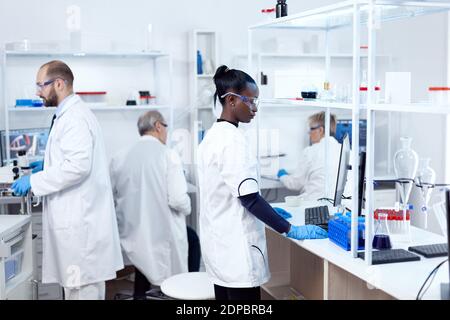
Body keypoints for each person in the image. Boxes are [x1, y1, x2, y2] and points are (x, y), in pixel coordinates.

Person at [197, 65, 328, 301]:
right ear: (231, 100)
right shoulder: (233, 141)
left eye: (257, 101)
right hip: (236, 250)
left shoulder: (213, 135)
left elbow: (232, 193)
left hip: (220, 246)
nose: (255, 108)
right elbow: (249, 199)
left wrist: (269, 211)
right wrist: (290, 229)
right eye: (250, 101)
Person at [11, 60, 123, 300]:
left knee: (82, 292)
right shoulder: (68, 115)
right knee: (76, 291)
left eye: (41, 85)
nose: (37, 92)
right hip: (78, 229)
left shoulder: (74, 118)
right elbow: (74, 160)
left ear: (59, 83)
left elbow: (77, 167)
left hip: (81, 232)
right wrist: (47, 165)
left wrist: (35, 180)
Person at [110, 110, 198, 300]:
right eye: (166, 127)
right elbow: (177, 200)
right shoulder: (168, 155)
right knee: (193, 240)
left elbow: (112, 194)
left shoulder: (119, 157)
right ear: (158, 126)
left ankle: (140, 295)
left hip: (130, 234)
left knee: (144, 255)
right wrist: (188, 208)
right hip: (160, 234)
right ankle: (190, 294)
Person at [277, 112, 341, 200]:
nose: (309, 133)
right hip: (340, 204)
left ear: (320, 130)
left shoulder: (310, 151)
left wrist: (282, 175)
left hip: (315, 202)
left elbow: (295, 184)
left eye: (311, 129)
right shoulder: (345, 150)